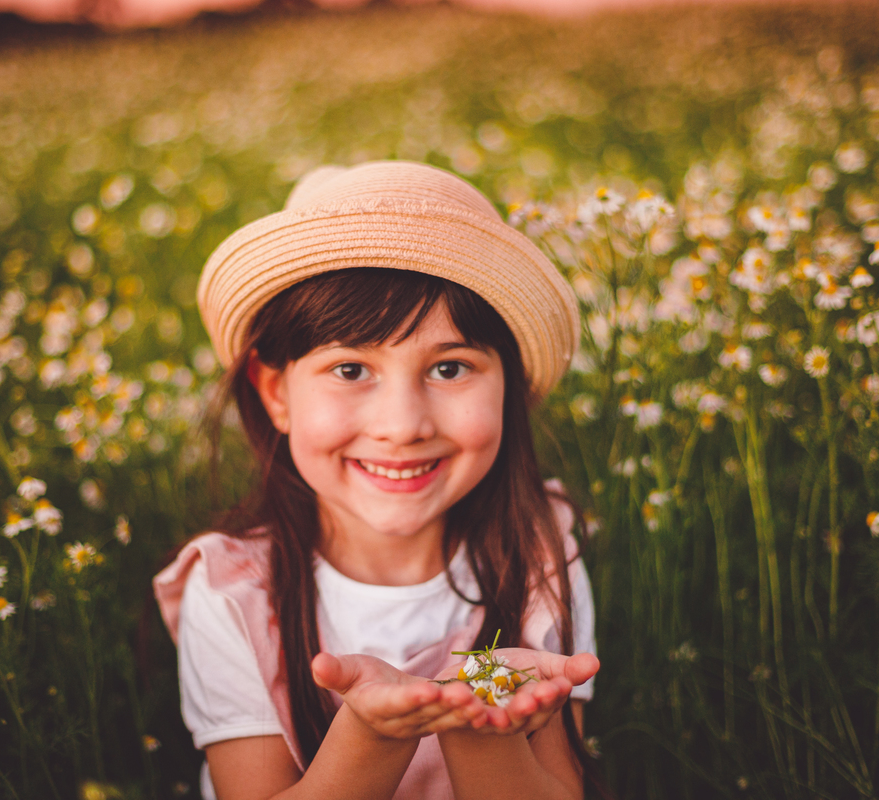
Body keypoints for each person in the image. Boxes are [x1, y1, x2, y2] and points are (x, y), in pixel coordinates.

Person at [153, 161, 601, 800]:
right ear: (276, 393)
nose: (402, 426)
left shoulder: (543, 552)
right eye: (350, 370)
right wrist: (370, 737)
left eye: (450, 368)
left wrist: (481, 728)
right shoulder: (232, 593)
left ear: (510, 389)